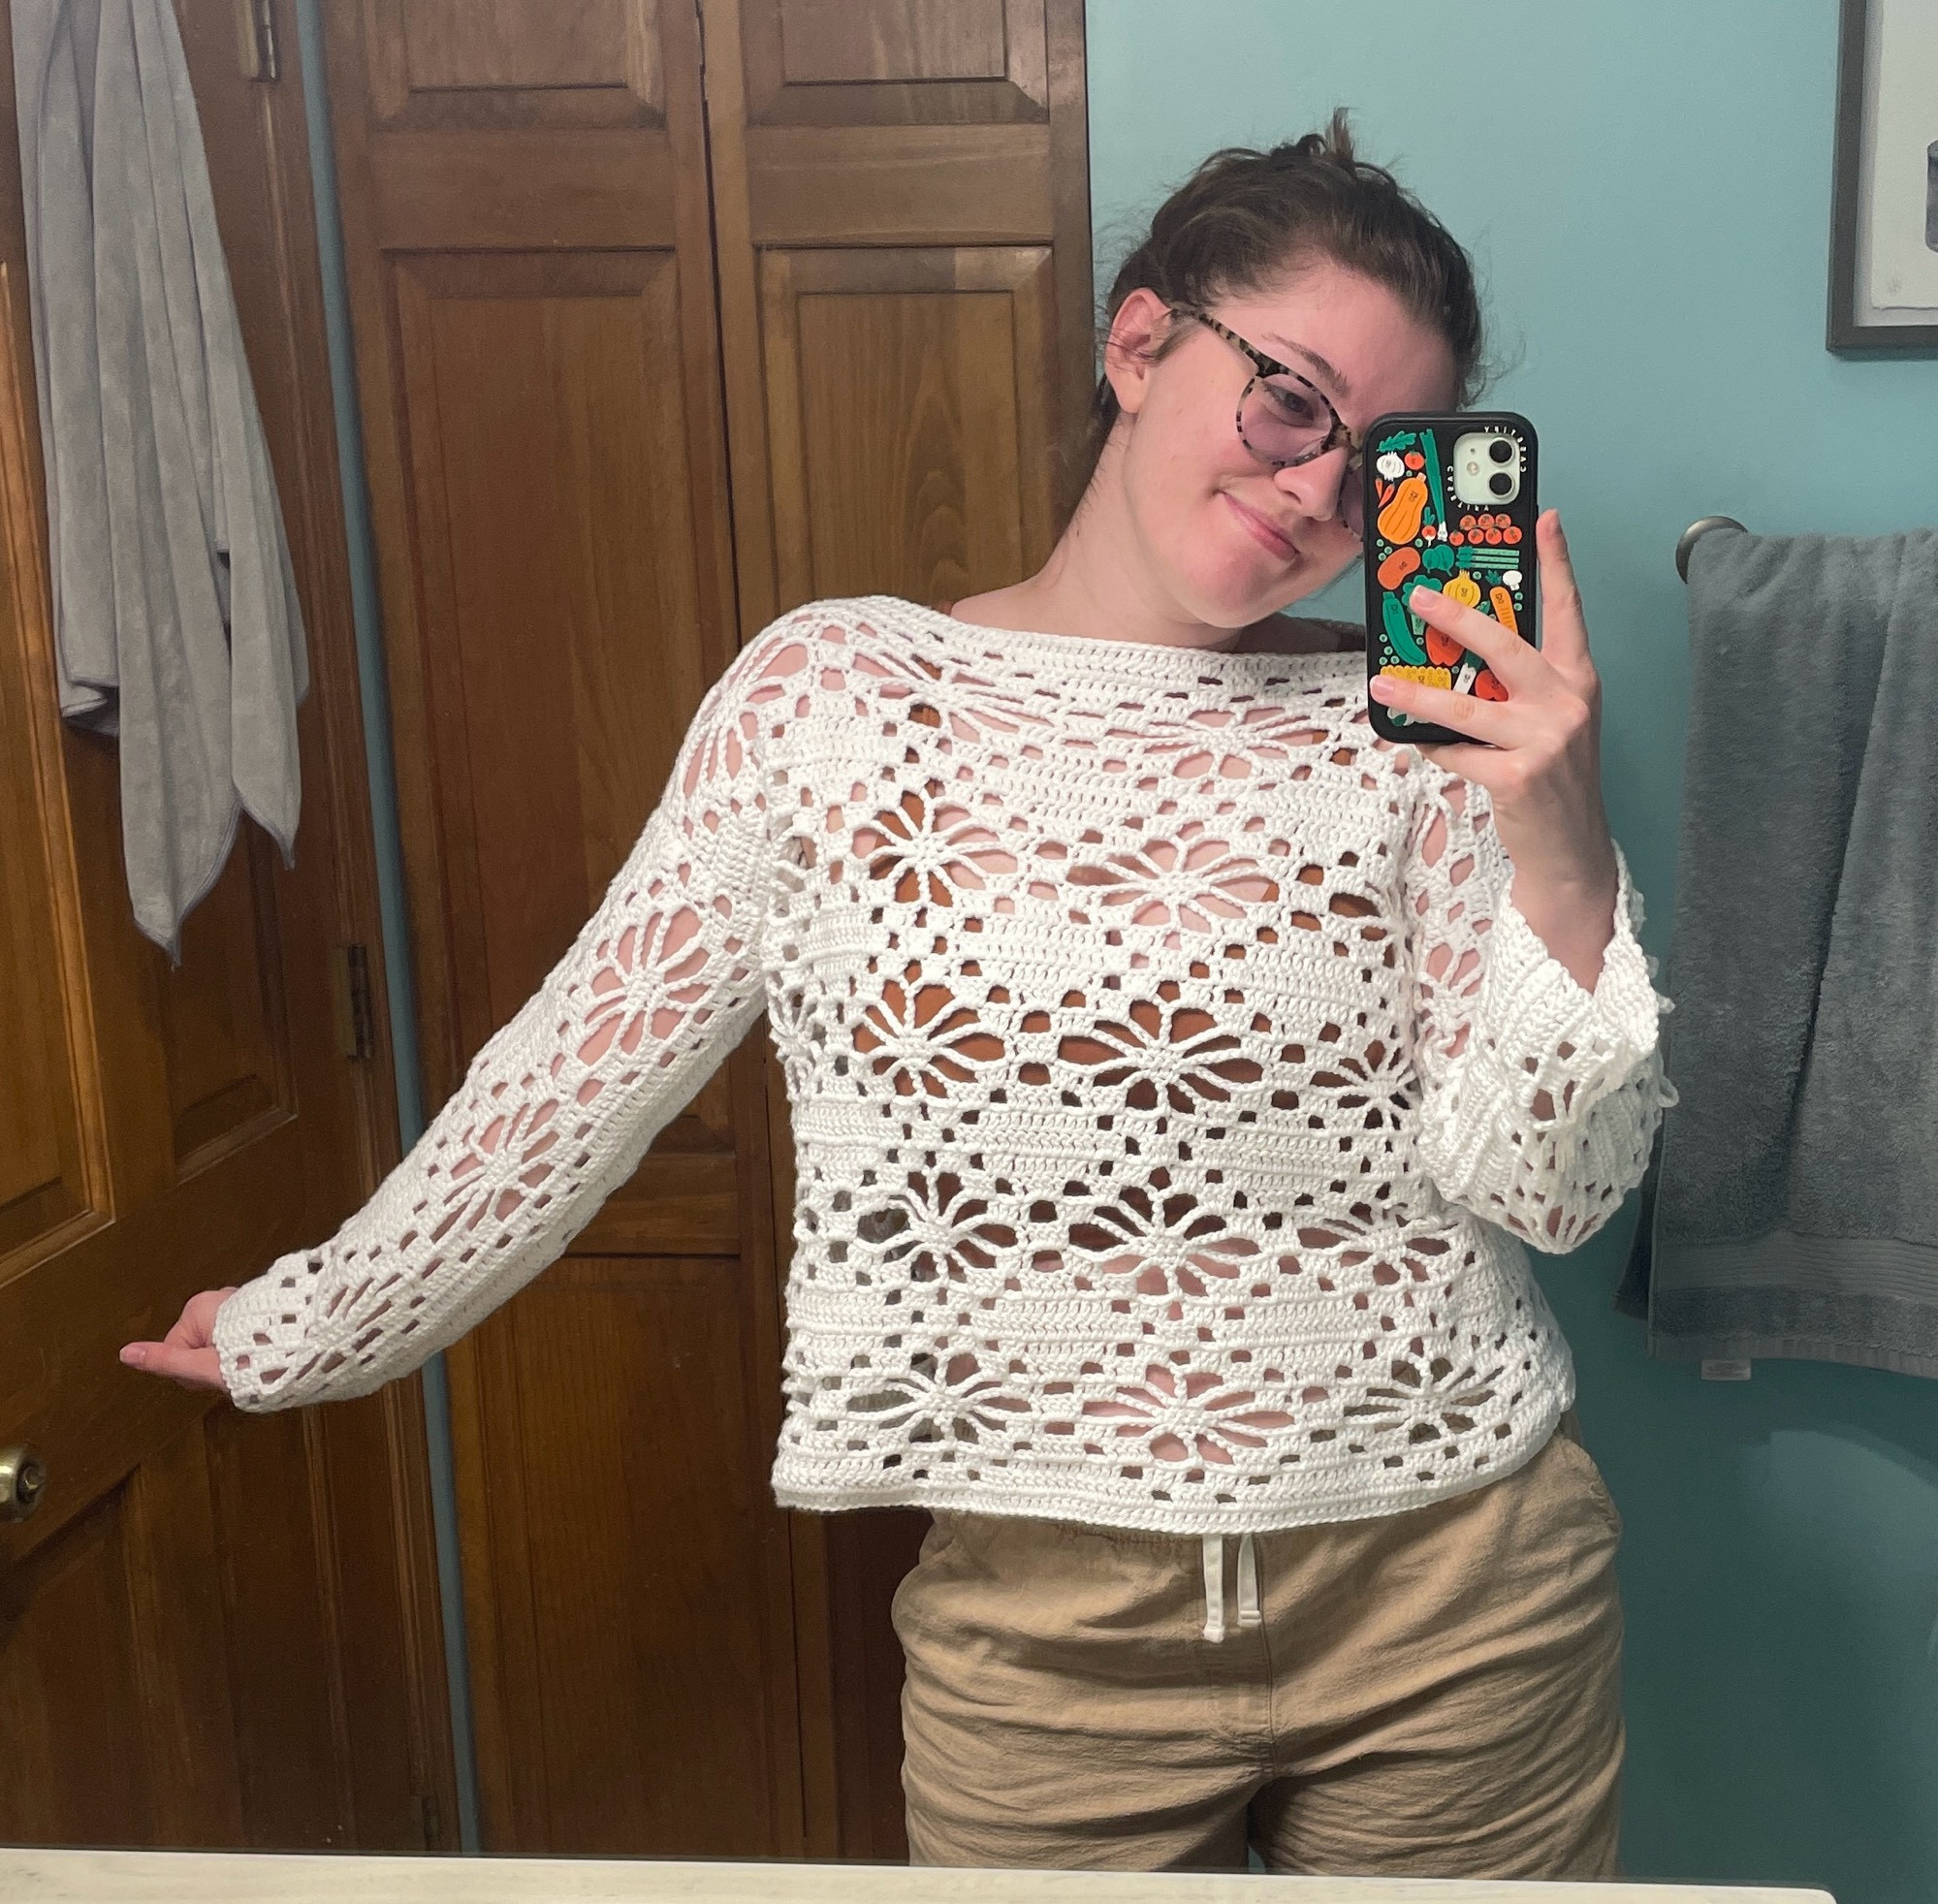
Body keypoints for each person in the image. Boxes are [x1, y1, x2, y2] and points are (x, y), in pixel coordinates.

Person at [125, 114, 1668, 1879]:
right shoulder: (836, 700)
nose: (1321, 487)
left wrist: (1555, 828)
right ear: (1142, 343)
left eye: (1388, 457)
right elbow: (571, 1078)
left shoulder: (1421, 746)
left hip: (1465, 1590)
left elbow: (1550, 1191)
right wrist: (309, 1323)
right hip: (1044, 1630)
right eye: (1290, 398)